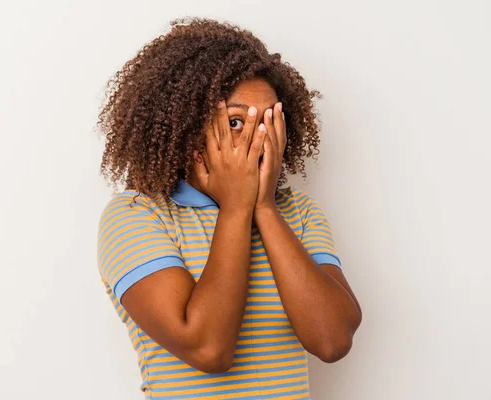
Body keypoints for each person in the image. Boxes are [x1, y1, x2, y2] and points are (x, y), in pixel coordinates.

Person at [96, 17, 362, 399]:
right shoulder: (136, 216)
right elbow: (208, 348)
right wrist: (237, 208)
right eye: (236, 121)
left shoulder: (298, 212)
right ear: (187, 126)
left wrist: (265, 209)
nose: (259, 137)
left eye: (271, 120)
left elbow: (332, 341)